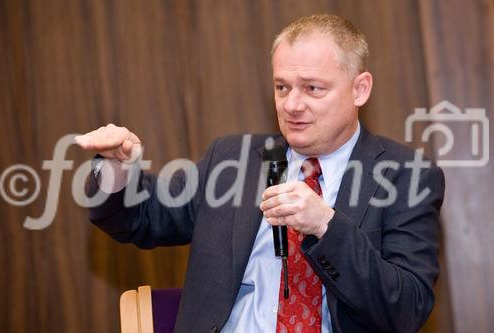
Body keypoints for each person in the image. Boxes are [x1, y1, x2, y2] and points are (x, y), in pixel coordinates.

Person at [76, 14, 444, 333]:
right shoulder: (233, 161)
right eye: (282, 87)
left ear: (360, 89)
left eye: (313, 88)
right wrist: (116, 169)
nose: (292, 104)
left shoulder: (405, 176)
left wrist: (326, 226)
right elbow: (141, 220)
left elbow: (406, 308)